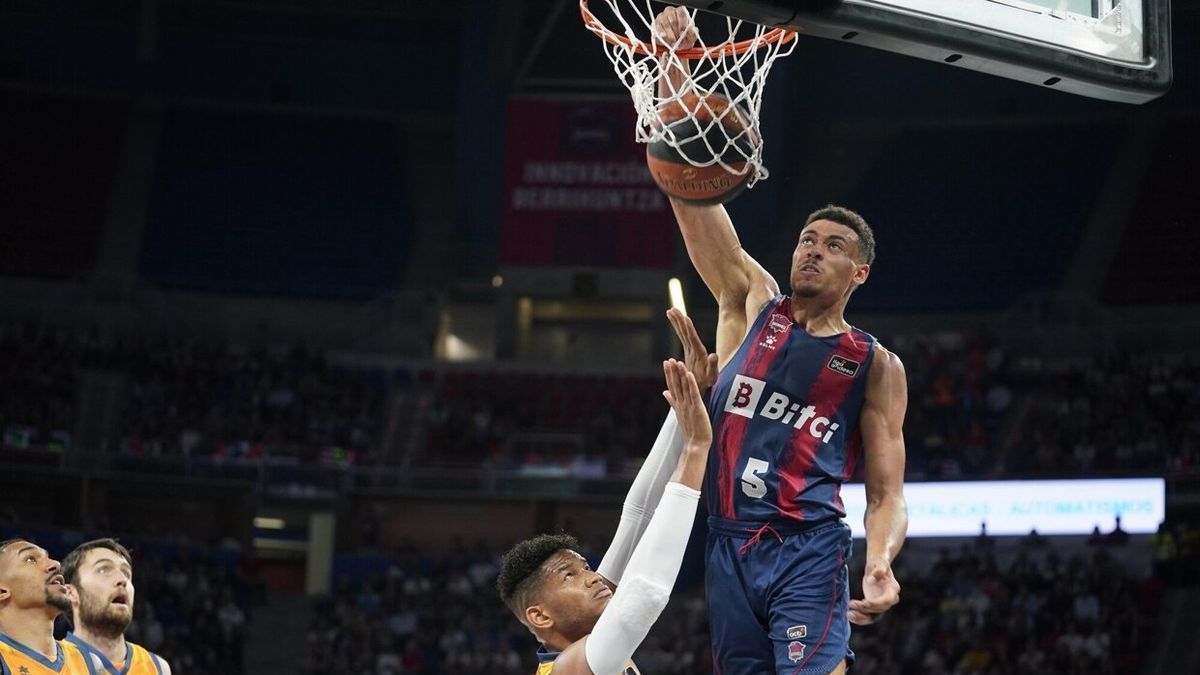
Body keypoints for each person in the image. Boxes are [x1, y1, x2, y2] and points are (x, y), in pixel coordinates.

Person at [652, 8, 909, 674]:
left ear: (860, 272)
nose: (813, 252)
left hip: (807, 545)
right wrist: (673, 68)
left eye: (834, 246)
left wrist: (879, 560)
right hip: (727, 542)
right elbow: (690, 196)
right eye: (807, 240)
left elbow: (885, 493)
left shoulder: (873, 363)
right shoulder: (749, 301)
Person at [497, 310, 715, 675]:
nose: (594, 577)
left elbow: (638, 517)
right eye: (570, 576)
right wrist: (695, 450)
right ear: (539, 615)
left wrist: (687, 399)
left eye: (585, 568)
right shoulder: (569, 667)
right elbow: (645, 594)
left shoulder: (585, 644)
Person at [60, 538, 172, 675]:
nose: (122, 580)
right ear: (71, 593)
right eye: (103, 570)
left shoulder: (157, 667)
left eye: (126, 573)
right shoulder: (49, 664)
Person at [0, 539, 91, 674]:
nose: (56, 564)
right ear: (2, 591)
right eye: (31, 560)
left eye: (48, 558)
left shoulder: (89, 662)